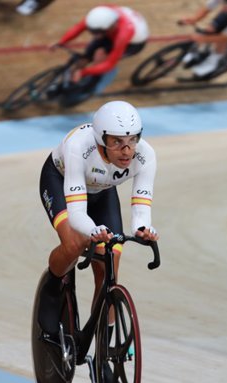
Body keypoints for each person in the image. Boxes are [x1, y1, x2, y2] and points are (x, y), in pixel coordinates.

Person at [37, 100, 159, 339]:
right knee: (75, 243)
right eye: (117, 142)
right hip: (61, 182)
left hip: (101, 192)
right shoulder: (78, 147)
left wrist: (144, 229)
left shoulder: (146, 155)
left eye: (132, 140)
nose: (127, 151)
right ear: (102, 140)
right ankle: (51, 288)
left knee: (109, 262)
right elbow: (77, 214)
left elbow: (141, 208)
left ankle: (106, 345)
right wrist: (93, 231)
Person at [50, 5, 149, 103]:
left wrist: (84, 72)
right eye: (93, 32)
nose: (95, 36)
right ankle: (73, 79)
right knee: (88, 53)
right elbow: (78, 28)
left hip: (132, 44)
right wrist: (62, 42)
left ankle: (93, 86)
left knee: (101, 57)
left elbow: (109, 64)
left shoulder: (123, 34)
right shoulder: (98, 16)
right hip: (111, 33)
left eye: (98, 32)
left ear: (111, 27)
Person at [178, 0, 227, 77]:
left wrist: (204, 39)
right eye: (226, 5)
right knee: (211, 29)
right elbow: (207, 7)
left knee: (222, 40)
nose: (226, 8)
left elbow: (226, 37)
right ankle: (202, 52)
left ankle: (213, 62)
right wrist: (194, 19)